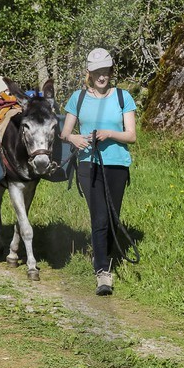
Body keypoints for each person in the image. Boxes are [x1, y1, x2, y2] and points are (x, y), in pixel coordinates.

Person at [62, 48, 137, 296]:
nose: (102, 77)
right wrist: (74, 139)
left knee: (113, 218)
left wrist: (109, 134)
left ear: (111, 72)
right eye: (97, 72)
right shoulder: (78, 98)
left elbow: (131, 135)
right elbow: (65, 133)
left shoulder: (123, 97)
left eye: (105, 72)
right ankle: (102, 271)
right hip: (88, 163)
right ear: (89, 74)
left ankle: (107, 255)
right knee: (99, 217)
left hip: (116, 164)